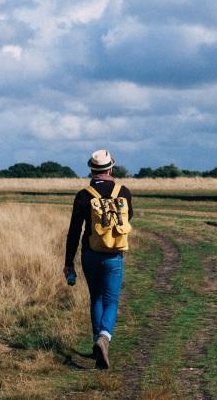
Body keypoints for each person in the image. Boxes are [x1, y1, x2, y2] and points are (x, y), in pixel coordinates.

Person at [64, 149, 134, 370]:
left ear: (92, 170)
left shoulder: (83, 195)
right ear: (111, 168)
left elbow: (74, 231)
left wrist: (68, 262)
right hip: (114, 254)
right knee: (111, 300)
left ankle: (98, 342)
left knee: (96, 298)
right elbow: (128, 217)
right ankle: (104, 338)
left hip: (90, 254)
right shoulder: (124, 192)